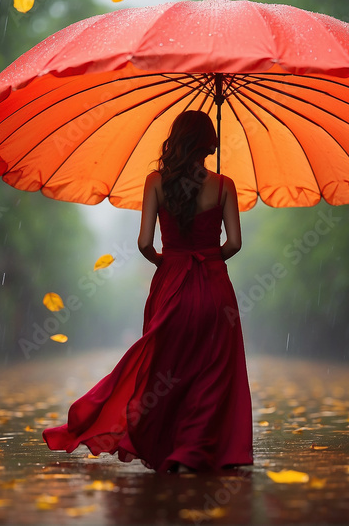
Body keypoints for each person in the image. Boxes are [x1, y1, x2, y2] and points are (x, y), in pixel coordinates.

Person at [43, 110, 253, 473]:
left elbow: (143, 243)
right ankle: (195, 450)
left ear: (177, 140)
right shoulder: (225, 186)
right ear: (208, 144)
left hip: (171, 285)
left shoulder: (156, 181)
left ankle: (169, 446)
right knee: (213, 372)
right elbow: (234, 243)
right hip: (215, 289)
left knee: (167, 368)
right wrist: (207, 257)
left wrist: (166, 260)